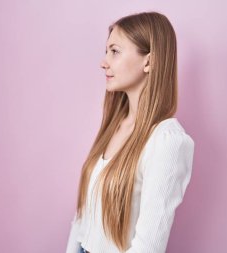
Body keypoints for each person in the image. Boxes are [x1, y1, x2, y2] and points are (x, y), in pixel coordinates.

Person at [65, 11, 195, 253]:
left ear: (149, 61)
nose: (104, 62)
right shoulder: (114, 126)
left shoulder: (166, 141)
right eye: (106, 52)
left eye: (115, 51)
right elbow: (83, 216)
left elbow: (148, 247)